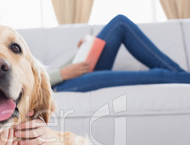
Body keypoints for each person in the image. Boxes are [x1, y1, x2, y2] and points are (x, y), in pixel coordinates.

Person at [50, 14, 190, 92]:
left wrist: (81, 53)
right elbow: (31, 84)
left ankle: (183, 77)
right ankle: (184, 77)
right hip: (58, 87)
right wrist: (62, 74)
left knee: (120, 24)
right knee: (159, 75)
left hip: (67, 74)